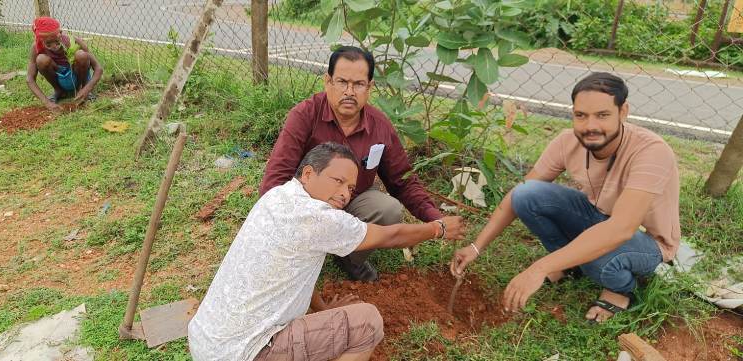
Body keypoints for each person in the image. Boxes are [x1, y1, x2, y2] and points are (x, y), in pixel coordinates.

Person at [189, 142, 465, 361]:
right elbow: (389, 235)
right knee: (368, 322)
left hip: (206, 343)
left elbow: (298, 275)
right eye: (338, 181)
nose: (345, 193)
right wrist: (437, 228)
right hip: (247, 353)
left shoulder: (277, 196)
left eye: (350, 188)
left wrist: (322, 310)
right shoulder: (319, 218)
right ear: (308, 174)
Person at [450, 72, 680, 322]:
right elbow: (520, 193)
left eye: (602, 115)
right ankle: (570, 263)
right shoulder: (567, 141)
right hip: (597, 216)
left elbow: (621, 229)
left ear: (623, 112)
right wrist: (476, 247)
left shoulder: (651, 151)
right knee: (527, 194)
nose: (590, 126)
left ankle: (621, 289)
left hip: (646, 240)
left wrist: (539, 268)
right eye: (581, 115)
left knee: (600, 256)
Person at [260, 46, 443, 282]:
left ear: (369, 87)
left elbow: (402, 180)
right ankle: (305, 254)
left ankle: (349, 258)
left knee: (388, 209)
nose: (349, 91)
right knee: (294, 255)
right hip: (308, 207)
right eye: (342, 82)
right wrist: (274, 223)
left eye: (358, 84)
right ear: (328, 82)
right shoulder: (305, 115)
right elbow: (277, 175)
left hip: (352, 203)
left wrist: (435, 218)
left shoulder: (379, 126)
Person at [25, 17, 103, 111]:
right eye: (48, 43)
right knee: (41, 59)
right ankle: (59, 91)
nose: (54, 46)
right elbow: (29, 79)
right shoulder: (36, 47)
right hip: (58, 77)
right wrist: (47, 103)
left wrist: (87, 89)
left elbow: (98, 68)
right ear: (40, 39)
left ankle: (82, 89)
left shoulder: (73, 41)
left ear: (60, 33)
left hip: (77, 75)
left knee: (81, 55)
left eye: (56, 42)